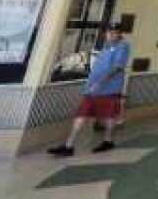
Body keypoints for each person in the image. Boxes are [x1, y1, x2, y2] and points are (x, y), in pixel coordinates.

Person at [48, 23, 130, 156]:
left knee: (108, 116)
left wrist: (100, 82)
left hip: (109, 89)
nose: (111, 34)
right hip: (92, 89)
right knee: (81, 114)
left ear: (120, 34)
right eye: (109, 32)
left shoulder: (122, 46)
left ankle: (107, 140)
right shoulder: (105, 47)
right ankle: (68, 145)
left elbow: (117, 67)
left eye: (115, 32)